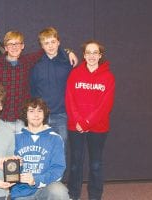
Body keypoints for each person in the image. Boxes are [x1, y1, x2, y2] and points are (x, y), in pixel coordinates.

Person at [0, 31, 78, 133]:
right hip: (3, 119)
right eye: (11, 44)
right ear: (5, 48)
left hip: (23, 120)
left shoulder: (28, 61)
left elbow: (50, 49)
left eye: (18, 44)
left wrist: (68, 51)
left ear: (23, 46)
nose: (14, 47)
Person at [65, 40, 115, 200]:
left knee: (96, 164)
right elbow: (69, 99)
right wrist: (79, 121)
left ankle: (95, 195)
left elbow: (105, 105)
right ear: (84, 55)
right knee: (75, 164)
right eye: (88, 53)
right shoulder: (75, 74)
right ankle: (73, 195)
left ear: (100, 56)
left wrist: (87, 122)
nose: (92, 56)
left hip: (98, 128)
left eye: (95, 53)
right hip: (76, 127)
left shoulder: (108, 77)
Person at [10, 98, 69, 200]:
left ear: (44, 114)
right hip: (22, 190)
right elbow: (10, 170)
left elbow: (58, 169)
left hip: (46, 186)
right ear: (26, 115)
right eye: (31, 111)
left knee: (59, 192)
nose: (36, 115)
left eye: (39, 111)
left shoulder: (55, 138)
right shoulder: (15, 138)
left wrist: (35, 180)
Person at [30, 27, 73, 149]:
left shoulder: (68, 63)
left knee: (60, 153)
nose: (50, 46)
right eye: (46, 43)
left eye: (53, 42)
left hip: (61, 116)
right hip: (41, 117)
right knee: (40, 152)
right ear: (42, 46)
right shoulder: (36, 65)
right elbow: (33, 90)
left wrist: (69, 52)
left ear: (58, 42)